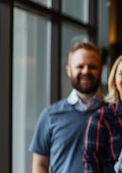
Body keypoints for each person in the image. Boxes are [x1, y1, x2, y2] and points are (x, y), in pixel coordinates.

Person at [29, 42, 106, 173]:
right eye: (80, 66)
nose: (86, 71)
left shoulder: (114, 113)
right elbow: (40, 164)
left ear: (101, 70)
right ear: (69, 71)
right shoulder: (50, 115)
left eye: (92, 66)